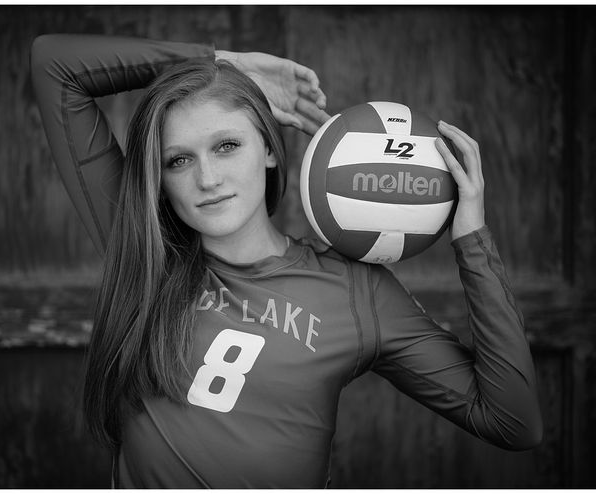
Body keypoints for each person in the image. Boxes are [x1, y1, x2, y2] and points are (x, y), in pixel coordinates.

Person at [31, 34, 543, 488]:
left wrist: (471, 237)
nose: (206, 178)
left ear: (270, 149)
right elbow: (55, 66)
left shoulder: (355, 292)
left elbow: (512, 422)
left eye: (227, 145)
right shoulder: (143, 249)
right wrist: (221, 62)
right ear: (160, 177)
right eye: (178, 160)